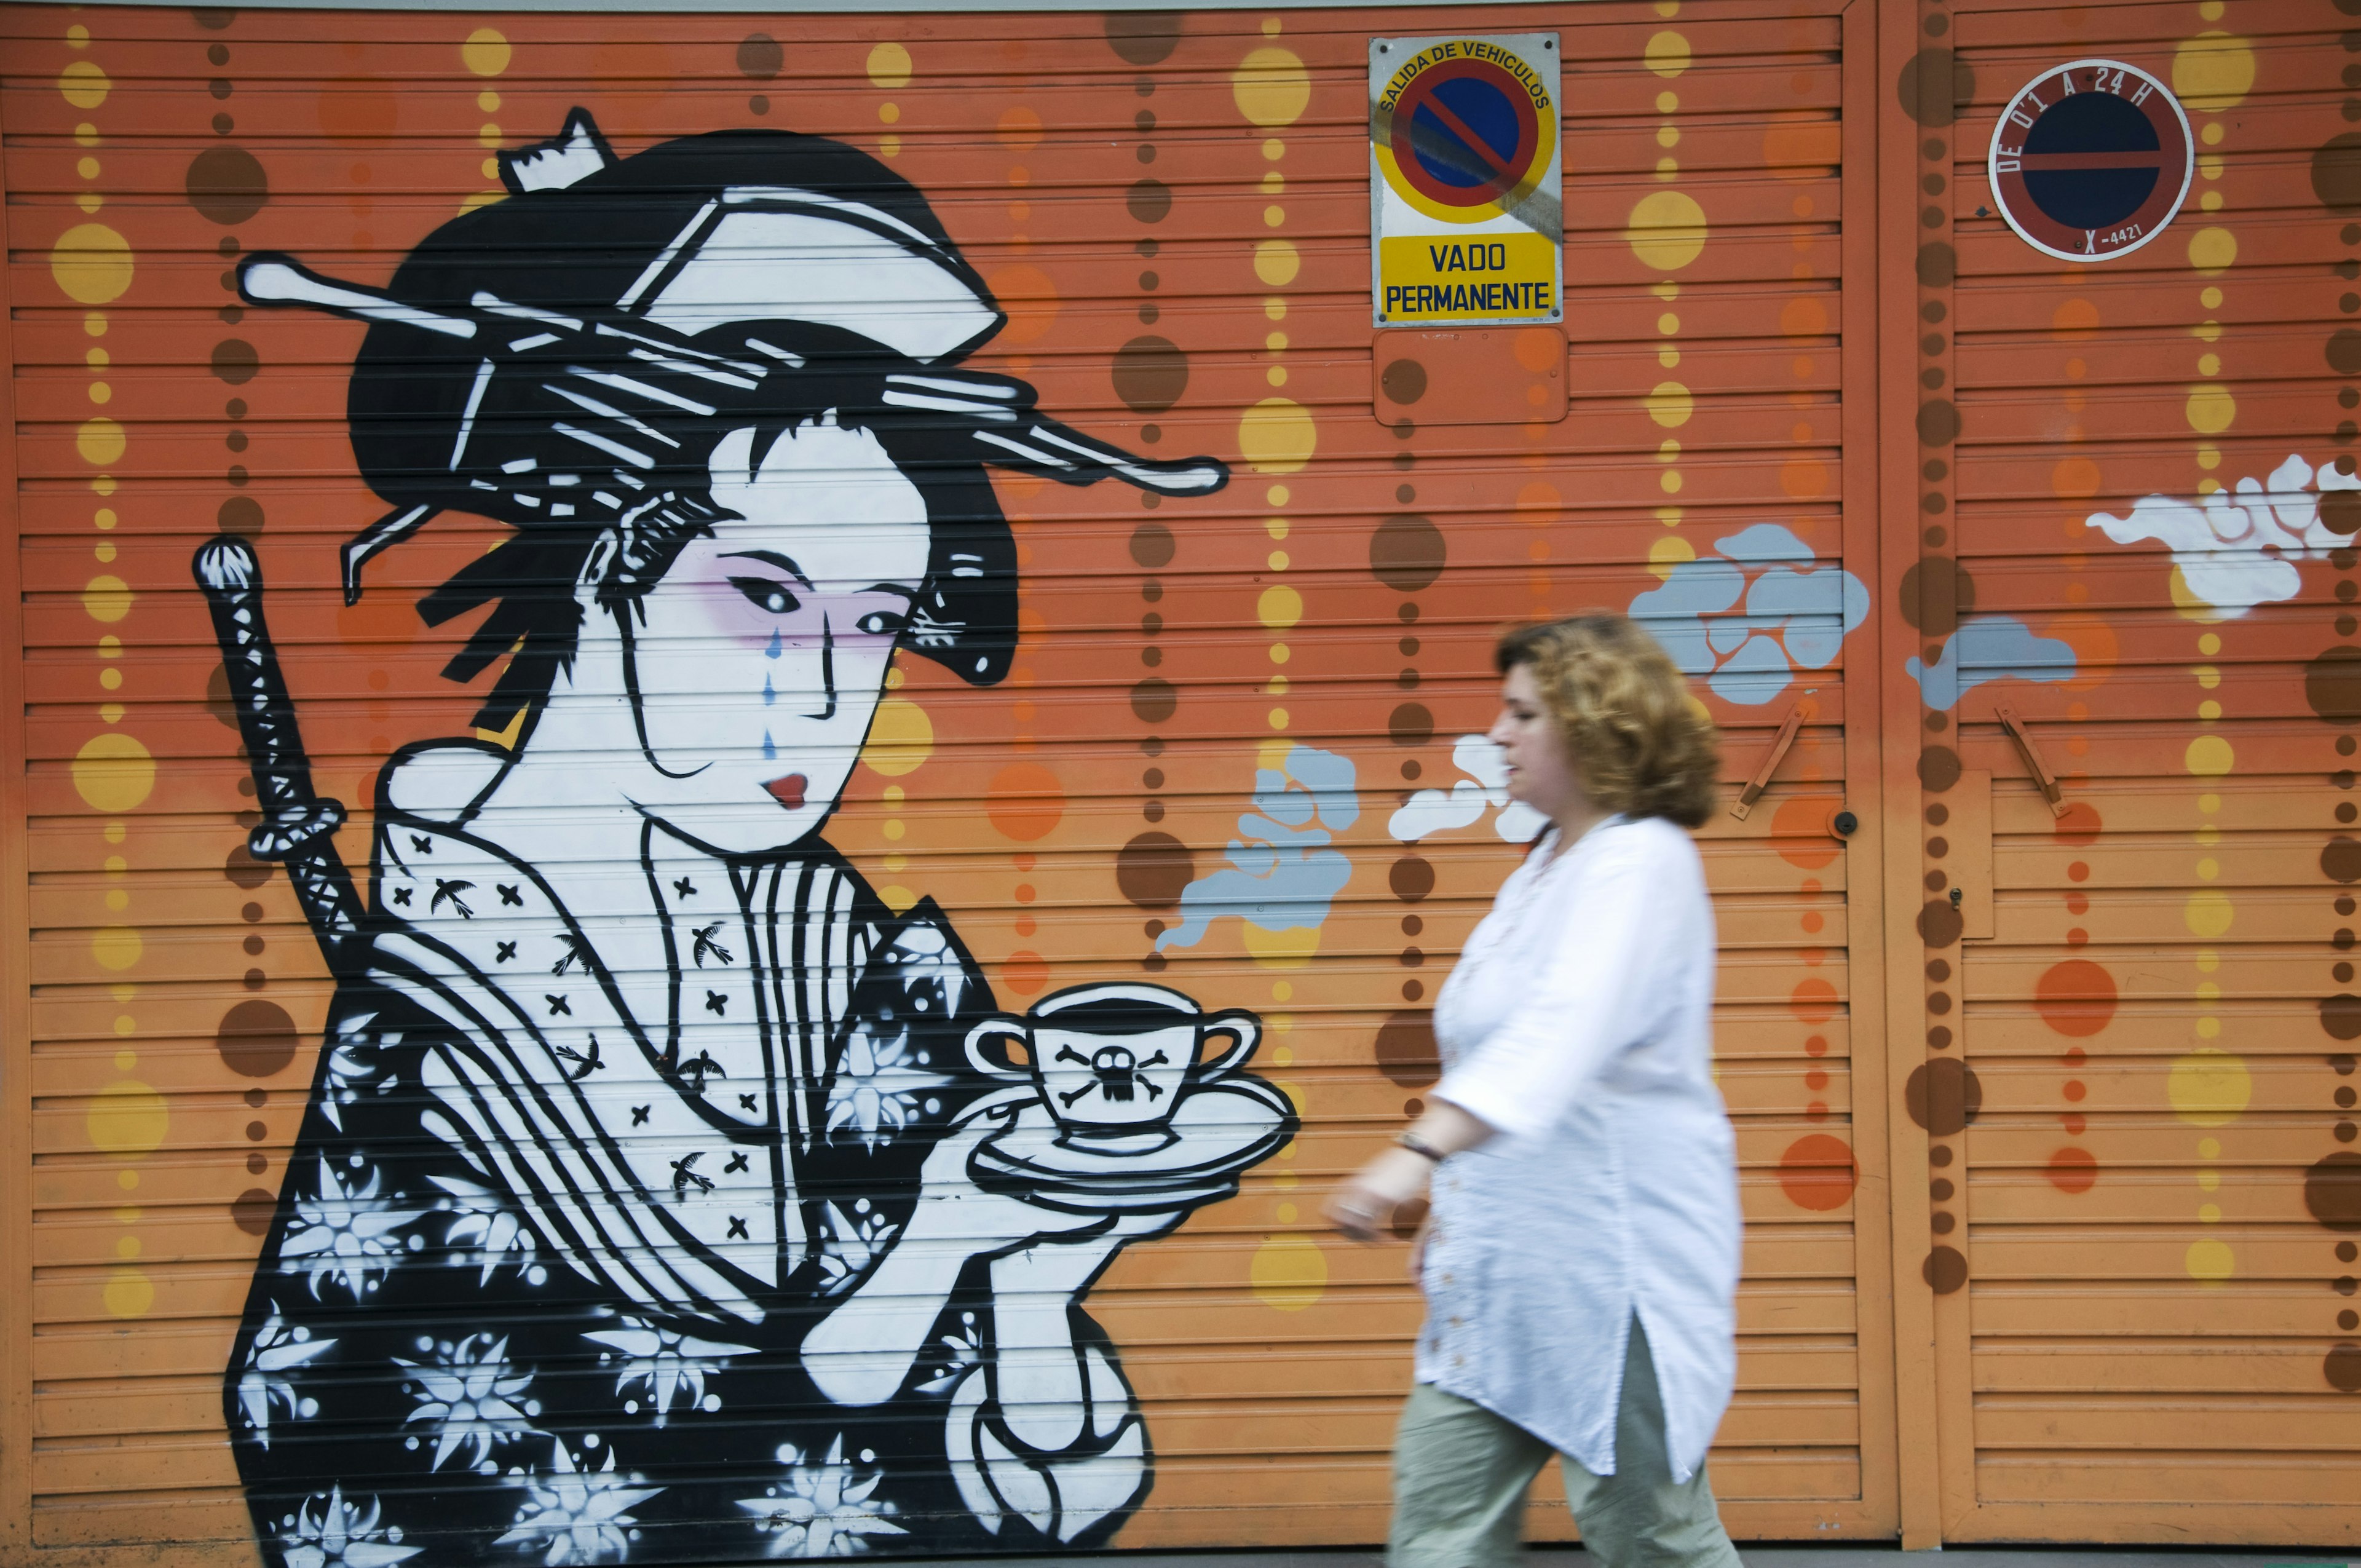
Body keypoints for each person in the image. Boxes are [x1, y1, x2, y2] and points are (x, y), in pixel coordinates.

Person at [220, 111, 1291, 1566]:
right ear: (609, 565)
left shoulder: (858, 957)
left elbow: (1024, 1473)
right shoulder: (436, 1005)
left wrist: (1029, 1289)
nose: (832, 697)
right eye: (769, 600)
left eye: (872, 624)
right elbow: (340, 1436)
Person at [1329, 614, 1744, 1568]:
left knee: (1652, 1535)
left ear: (1595, 726)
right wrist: (1459, 1214)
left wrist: (1412, 1157)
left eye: (1522, 713)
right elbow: (1502, 1048)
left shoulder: (1643, 864)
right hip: (1504, 1277)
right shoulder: (1542, 872)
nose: (1498, 735)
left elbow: (1561, 1036)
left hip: (1613, 1272)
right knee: (1440, 1522)